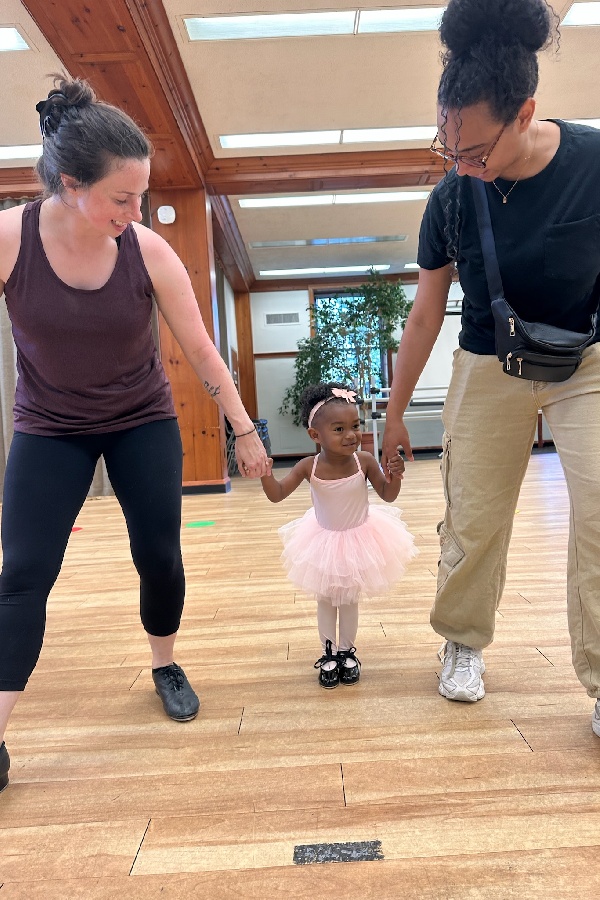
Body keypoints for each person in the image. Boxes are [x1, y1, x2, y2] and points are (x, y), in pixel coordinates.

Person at [0, 75, 268, 793]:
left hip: (140, 421)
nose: (136, 210)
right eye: (122, 197)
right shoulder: (9, 239)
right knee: (24, 572)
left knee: (159, 553)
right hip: (48, 427)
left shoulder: (146, 250)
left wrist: (243, 430)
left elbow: (201, 349)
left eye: (141, 195)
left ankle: (163, 661)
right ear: (67, 183)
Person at [381, 0, 600, 727]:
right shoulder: (451, 198)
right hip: (489, 361)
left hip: (589, 360)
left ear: (526, 112)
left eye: (476, 153)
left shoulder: (593, 164)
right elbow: (423, 315)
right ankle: (461, 642)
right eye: (450, 149)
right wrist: (392, 415)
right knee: (473, 517)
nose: (463, 166)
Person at [261, 383, 417, 688]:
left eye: (355, 426)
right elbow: (277, 494)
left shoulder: (366, 461)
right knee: (326, 599)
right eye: (339, 428)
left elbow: (388, 495)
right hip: (323, 542)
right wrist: (266, 473)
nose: (351, 435)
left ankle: (347, 652)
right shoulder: (309, 466)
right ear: (315, 435)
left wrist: (395, 475)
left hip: (360, 539)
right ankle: (329, 652)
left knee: (348, 600)